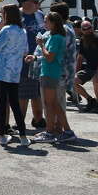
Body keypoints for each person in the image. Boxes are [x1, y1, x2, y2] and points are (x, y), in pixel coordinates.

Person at [0, 4, 30, 147]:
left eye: (2, 13)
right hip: (15, 72)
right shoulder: (23, 31)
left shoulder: (6, 30)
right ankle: (23, 136)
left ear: (7, 15)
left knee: (2, 104)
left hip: (1, 71)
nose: (0, 15)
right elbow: (25, 52)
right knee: (15, 104)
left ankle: (2, 135)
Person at [29, 12, 71, 143]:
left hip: (51, 73)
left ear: (53, 23)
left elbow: (50, 57)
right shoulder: (55, 36)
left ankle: (53, 131)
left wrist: (41, 44)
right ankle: (54, 130)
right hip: (49, 72)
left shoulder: (56, 37)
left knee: (51, 104)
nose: (44, 23)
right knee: (51, 103)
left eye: (46, 21)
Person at [48, 1, 79, 140]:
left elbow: (58, 51)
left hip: (60, 70)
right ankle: (59, 129)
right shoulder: (69, 27)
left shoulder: (64, 30)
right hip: (65, 70)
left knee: (58, 102)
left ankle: (60, 131)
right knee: (59, 101)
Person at [17, 0, 46, 129]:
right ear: (26, 3)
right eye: (36, 2)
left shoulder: (39, 14)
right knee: (23, 93)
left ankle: (39, 119)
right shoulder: (17, 16)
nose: (38, 4)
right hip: (24, 59)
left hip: (39, 58)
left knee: (37, 92)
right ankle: (20, 122)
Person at [74, 20, 98, 112]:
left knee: (96, 80)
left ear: (92, 27)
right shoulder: (82, 40)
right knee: (72, 81)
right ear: (81, 30)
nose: (87, 30)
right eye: (84, 29)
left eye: (89, 28)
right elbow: (80, 57)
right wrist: (76, 72)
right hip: (89, 68)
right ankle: (90, 100)